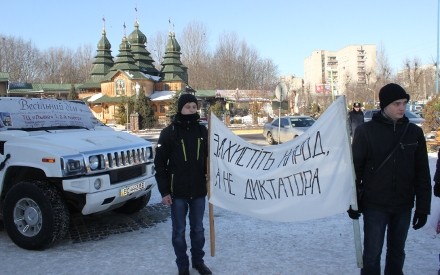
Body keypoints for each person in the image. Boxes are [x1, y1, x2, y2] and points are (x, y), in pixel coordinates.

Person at [347, 83, 431, 275]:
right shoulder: (366, 131)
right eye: (397, 103)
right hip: (375, 205)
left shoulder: (414, 133)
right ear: (385, 105)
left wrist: (423, 208)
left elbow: (422, 173)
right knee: (372, 254)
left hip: (403, 204)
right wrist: (351, 202)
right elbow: (354, 171)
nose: (402, 108)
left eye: (404, 103)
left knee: (396, 252)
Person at [154, 93, 212, 275]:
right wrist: (164, 191)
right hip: (177, 192)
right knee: (179, 231)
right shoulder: (169, 133)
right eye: (188, 106)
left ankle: (198, 261)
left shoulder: (203, 132)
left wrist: (208, 170)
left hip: (199, 190)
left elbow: (211, 157)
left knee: (198, 229)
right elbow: (160, 165)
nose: (192, 110)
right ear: (180, 108)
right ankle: (182, 265)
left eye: (194, 107)